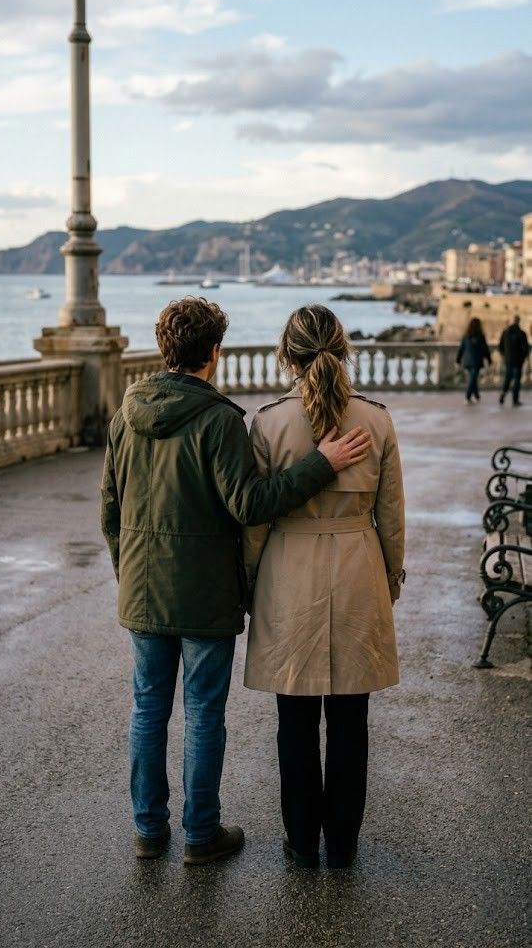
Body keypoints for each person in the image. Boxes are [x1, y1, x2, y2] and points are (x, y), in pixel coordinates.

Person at [100, 297, 371, 866]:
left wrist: (127, 571)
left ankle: (148, 830)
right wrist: (320, 463)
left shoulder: (125, 413)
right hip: (204, 594)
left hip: (142, 589)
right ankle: (201, 835)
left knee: (147, 709)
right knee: (201, 712)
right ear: (215, 352)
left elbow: (110, 505)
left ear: (164, 347)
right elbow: (250, 504)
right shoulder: (219, 420)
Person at [243, 304, 405, 870]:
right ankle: (343, 844)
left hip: (290, 569)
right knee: (350, 719)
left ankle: (301, 842)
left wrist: (249, 582)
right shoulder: (378, 420)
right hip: (358, 565)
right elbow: (392, 515)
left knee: (294, 718)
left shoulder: (268, 422)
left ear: (286, 354)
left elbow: (256, 522)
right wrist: (391, 577)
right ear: (344, 347)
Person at [455, 318, 492, 403]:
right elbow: (485, 349)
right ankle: (467, 397)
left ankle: (477, 396)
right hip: (476, 361)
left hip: (467, 361)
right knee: (473, 379)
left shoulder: (466, 336)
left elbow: (461, 349)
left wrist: (458, 360)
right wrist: (489, 360)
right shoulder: (480, 336)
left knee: (473, 379)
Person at [498, 315, 530, 407]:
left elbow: (500, 346)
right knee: (517, 380)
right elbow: (525, 348)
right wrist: (523, 357)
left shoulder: (505, 332)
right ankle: (515, 400)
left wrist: (505, 356)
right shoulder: (521, 333)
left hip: (508, 359)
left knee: (508, 378)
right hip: (518, 360)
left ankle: (503, 394)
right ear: (518, 321)